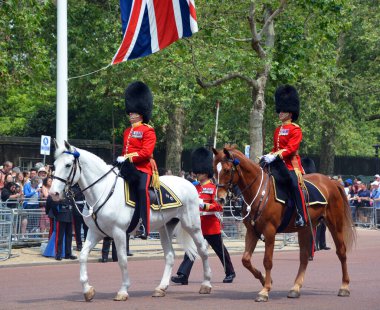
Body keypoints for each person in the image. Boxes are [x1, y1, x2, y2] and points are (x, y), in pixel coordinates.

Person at [171, 147, 236, 284]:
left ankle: (230, 272)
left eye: (199, 173)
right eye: (197, 172)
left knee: (220, 251)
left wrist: (204, 205)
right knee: (192, 249)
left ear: (206, 173)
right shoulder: (194, 188)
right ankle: (183, 275)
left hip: (211, 225)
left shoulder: (213, 188)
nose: (197, 175)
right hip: (197, 225)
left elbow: (219, 206)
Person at [261, 85, 306, 227]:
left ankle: (301, 215)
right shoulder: (278, 129)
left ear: (290, 113)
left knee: (294, 185)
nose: (280, 113)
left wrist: (275, 156)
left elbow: (291, 148)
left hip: (290, 164)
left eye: (283, 111)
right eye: (279, 110)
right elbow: (276, 147)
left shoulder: (295, 129)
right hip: (278, 163)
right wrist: (268, 154)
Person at [117, 81, 157, 240]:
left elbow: (146, 152)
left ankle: (144, 226)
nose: (130, 114)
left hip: (143, 169)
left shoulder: (148, 130)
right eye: (130, 112)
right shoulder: (127, 131)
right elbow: (125, 149)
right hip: (127, 168)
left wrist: (128, 158)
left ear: (141, 113)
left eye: (133, 112)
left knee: (141, 190)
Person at [71, 183, 88, 251]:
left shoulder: (84, 187)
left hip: (85, 208)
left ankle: (86, 244)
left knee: (86, 228)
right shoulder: (73, 188)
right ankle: (79, 245)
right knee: (77, 229)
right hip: (77, 209)